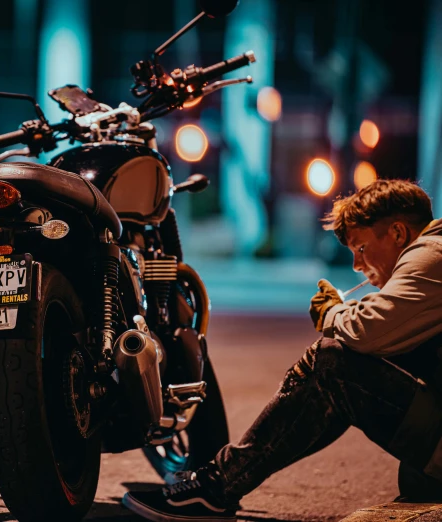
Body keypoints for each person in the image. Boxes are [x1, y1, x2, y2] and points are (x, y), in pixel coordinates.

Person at [123, 179, 442, 522]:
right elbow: (382, 325)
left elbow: (365, 331)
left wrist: (330, 313)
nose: (356, 265)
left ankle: (217, 487)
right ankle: (218, 483)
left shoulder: (430, 255)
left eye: (361, 248)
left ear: (397, 233)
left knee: (330, 364)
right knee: (338, 362)